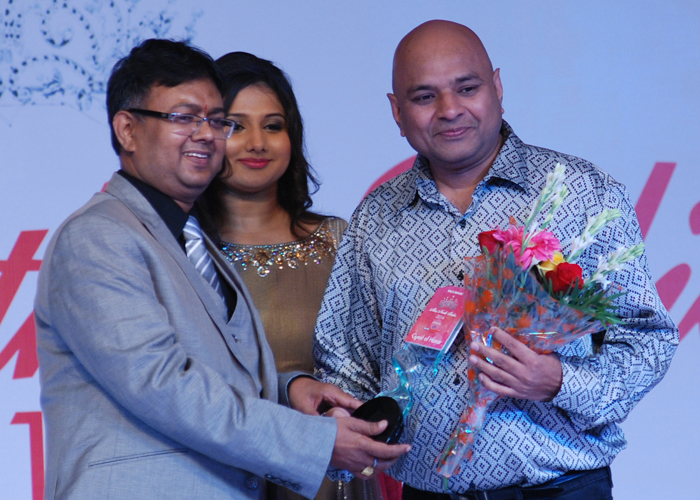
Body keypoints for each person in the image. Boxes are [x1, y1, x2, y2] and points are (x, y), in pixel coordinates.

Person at [314, 20, 678, 500]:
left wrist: (559, 381)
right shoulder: (376, 217)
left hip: (561, 491)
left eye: (467, 88)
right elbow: (345, 361)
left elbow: (648, 341)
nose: (449, 110)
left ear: (498, 87)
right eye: (424, 97)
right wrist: (344, 425)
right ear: (397, 111)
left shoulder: (582, 193)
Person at [35, 38, 409, 500]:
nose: (206, 134)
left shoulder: (190, 241)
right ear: (127, 130)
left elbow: (215, 371)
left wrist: (290, 389)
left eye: (215, 120)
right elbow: (163, 385)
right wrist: (317, 442)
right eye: (183, 118)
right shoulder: (98, 237)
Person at [197, 51, 381, 500]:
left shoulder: (337, 239)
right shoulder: (186, 252)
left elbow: (378, 361)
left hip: (336, 472)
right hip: (226, 473)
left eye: (273, 125)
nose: (257, 143)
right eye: (236, 126)